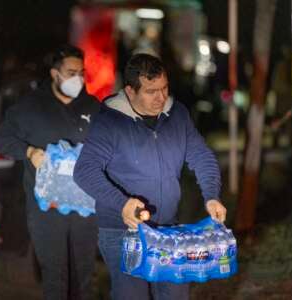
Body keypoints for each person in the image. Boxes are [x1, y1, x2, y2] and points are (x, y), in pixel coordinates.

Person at [73, 53, 226, 300]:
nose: (161, 97)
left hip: (167, 229)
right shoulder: (110, 122)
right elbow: (84, 170)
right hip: (123, 231)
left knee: (176, 294)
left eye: (164, 88)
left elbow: (201, 156)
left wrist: (211, 196)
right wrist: (122, 203)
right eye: (151, 91)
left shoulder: (177, 115)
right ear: (130, 91)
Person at [0, 45, 100, 300]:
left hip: (85, 208)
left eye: (81, 72)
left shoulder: (94, 107)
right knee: (55, 274)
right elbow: (2, 139)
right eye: (71, 72)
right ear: (55, 74)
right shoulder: (30, 108)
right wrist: (29, 151)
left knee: (83, 274)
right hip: (46, 209)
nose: (78, 78)